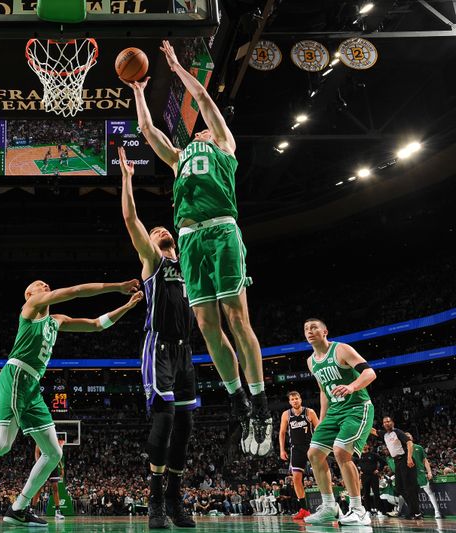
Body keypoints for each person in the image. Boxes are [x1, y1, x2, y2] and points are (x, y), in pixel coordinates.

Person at [122, 40, 271, 455]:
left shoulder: (223, 144)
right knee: (206, 325)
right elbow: (149, 131)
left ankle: (260, 402)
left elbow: (203, 97)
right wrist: (138, 94)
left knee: (236, 317)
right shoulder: (178, 157)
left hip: (222, 230)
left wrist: (174, 65)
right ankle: (238, 400)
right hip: (189, 240)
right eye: (199, 128)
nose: (200, 128)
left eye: (203, 126)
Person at [0, 279, 143, 526]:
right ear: (29, 293)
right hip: (17, 375)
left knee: (52, 451)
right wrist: (118, 286)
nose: (45, 285)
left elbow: (96, 325)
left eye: (47, 284)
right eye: (39, 284)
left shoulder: (56, 320)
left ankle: (19, 507)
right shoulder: (32, 306)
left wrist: (127, 306)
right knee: (2, 443)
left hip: (32, 385)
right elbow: (75, 291)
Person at [118, 146, 196, 529]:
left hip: (186, 352)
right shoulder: (154, 262)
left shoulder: (188, 266)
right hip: (158, 349)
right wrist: (128, 179)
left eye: (163, 228)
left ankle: (175, 497)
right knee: (164, 422)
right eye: (155, 231)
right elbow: (132, 218)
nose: (160, 229)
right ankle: (154, 499)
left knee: (185, 427)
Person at [302, 318, 376, 526]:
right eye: (306, 329)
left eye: (314, 327)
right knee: (314, 454)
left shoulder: (341, 349)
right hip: (334, 411)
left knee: (341, 451)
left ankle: (358, 510)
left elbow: (370, 373)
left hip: (357, 407)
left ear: (325, 331)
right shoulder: (311, 361)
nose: (310, 331)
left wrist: (352, 387)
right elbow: (323, 390)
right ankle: (329, 506)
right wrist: (322, 419)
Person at [279, 390, 319, 520]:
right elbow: (282, 433)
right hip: (295, 449)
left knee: (320, 475)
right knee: (296, 479)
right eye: (292, 399)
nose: (295, 401)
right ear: (289, 402)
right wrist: (282, 450)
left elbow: (318, 429)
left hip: (311, 447)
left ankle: (329, 504)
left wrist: (320, 446)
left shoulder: (310, 412)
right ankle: (304, 509)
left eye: (297, 398)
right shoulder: (286, 414)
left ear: (300, 399)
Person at [370, 417, 421, 519]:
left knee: (409, 488)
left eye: (388, 421)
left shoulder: (397, 432)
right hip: (397, 462)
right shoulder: (384, 434)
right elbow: (373, 431)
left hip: (405, 460)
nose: (386, 423)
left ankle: (416, 513)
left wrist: (409, 458)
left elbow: (409, 442)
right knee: (399, 487)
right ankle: (414, 510)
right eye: (384, 422)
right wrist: (361, 422)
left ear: (392, 423)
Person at [407, 432, 443, 519]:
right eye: (406, 436)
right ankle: (417, 513)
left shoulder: (418, 447)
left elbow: (425, 461)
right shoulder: (403, 450)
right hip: (410, 475)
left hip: (420, 473)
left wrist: (429, 472)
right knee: (412, 496)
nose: (407, 437)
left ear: (412, 438)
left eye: (409, 436)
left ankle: (437, 512)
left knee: (429, 492)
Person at [31, 438, 66, 521]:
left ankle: (57, 511)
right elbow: (36, 453)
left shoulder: (53, 441)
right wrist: (38, 465)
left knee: (55, 488)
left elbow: (57, 455)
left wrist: (61, 467)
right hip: (43, 465)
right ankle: (32, 510)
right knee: (39, 488)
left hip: (53, 466)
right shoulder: (40, 439)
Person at [358, 442, 386, 515]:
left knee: (376, 493)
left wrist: (379, 470)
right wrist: (358, 471)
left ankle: (378, 510)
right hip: (364, 476)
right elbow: (354, 464)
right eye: (363, 445)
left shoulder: (373, 454)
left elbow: (383, 462)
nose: (364, 446)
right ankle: (368, 510)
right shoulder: (359, 455)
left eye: (365, 445)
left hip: (373, 475)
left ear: (368, 446)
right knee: (365, 493)